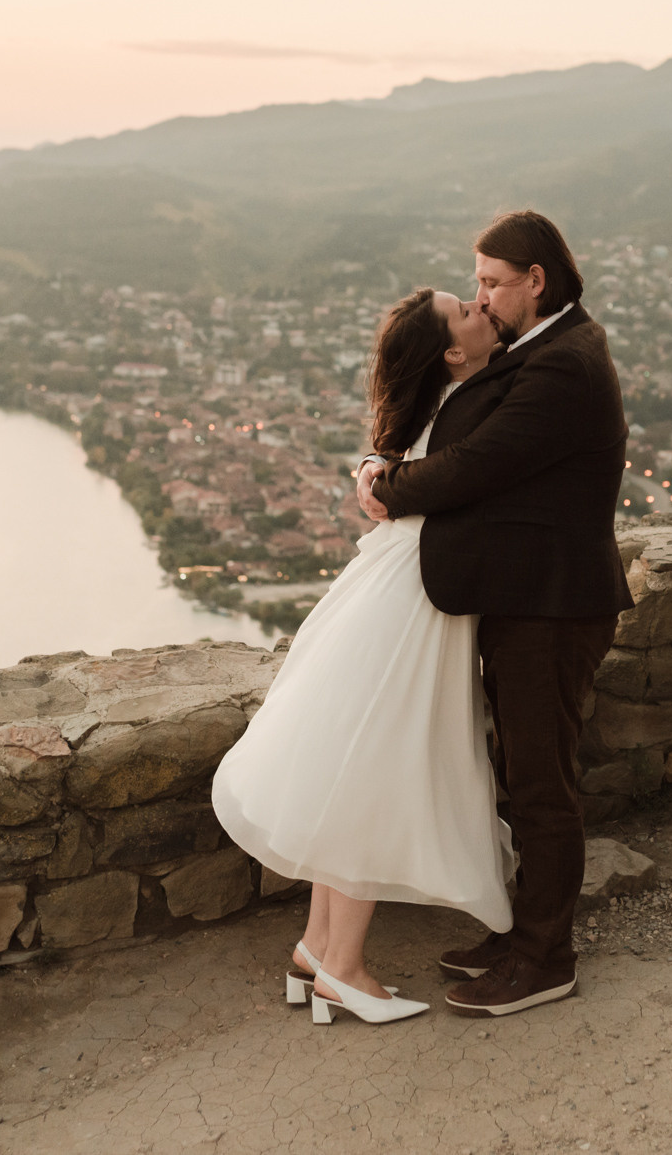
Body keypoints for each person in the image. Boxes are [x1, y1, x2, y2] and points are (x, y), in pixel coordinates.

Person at [357, 209, 634, 1018]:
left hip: (554, 605)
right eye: (474, 283)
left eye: (489, 282)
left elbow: (479, 464)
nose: (479, 296)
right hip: (526, 597)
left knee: (541, 783)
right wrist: (384, 452)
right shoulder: (539, 346)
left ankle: (546, 957)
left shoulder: (565, 365)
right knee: (520, 773)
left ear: (534, 281)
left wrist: (386, 488)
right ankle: (523, 933)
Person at [212, 285, 506, 1025]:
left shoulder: (445, 403)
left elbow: (403, 473)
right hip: (410, 602)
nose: (480, 305)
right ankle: (344, 969)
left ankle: (317, 947)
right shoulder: (468, 404)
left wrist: (375, 471)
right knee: (373, 776)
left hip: (392, 588)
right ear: (450, 350)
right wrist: (378, 474)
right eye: (466, 309)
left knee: (352, 770)